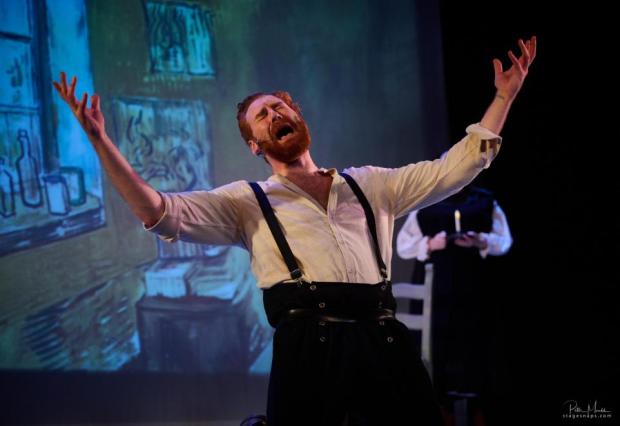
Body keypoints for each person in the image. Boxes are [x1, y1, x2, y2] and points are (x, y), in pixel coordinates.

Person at [53, 36, 536, 426]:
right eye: (262, 116)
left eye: (280, 108)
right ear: (254, 145)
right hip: (309, 348)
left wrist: (504, 96)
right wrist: (100, 142)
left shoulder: (370, 184)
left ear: (299, 118)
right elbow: (159, 211)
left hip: (382, 340)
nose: (275, 116)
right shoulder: (246, 201)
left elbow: (454, 169)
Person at [396, 183, 512, 425]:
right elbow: (403, 245)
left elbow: (504, 240)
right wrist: (430, 243)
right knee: (439, 347)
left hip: (474, 288)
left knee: (476, 346)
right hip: (438, 289)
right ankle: (442, 407)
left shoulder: (484, 200)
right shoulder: (427, 200)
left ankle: (477, 406)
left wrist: (481, 241)